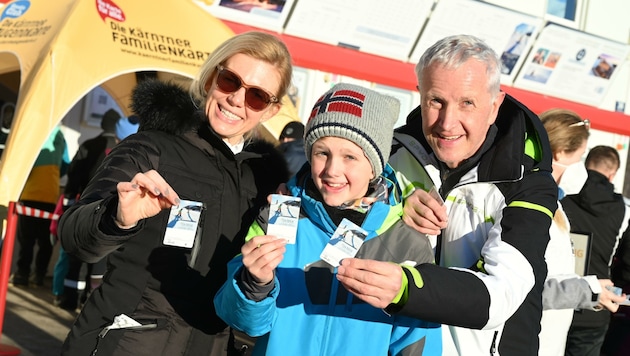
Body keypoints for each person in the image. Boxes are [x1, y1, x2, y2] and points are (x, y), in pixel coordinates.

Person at [57, 31, 292, 355]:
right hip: (125, 342)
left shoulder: (265, 183)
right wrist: (117, 218)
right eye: (230, 81)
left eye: (257, 96)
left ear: (270, 111)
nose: (237, 99)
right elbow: (74, 237)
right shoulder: (153, 146)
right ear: (212, 77)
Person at [335, 34, 558, 355]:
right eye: (436, 101)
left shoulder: (528, 181)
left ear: (494, 106)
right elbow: (336, 225)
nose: (447, 122)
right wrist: (394, 201)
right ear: (420, 97)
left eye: (467, 103)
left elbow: (501, 296)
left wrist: (407, 287)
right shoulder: (390, 155)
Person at [214, 83, 441, 355]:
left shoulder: (406, 243)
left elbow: (417, 343)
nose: (333, 170)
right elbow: (243, 322)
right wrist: (255, 283)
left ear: (375, 166)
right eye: (322, 153)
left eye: (350, 157)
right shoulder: (277, 218)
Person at [538, 109, 626, 356]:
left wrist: (588, 286)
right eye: (580, 156)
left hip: (549, 336)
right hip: (532, 338)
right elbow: (524, 286)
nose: (582, 167)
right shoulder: (532, 207)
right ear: (559, 153)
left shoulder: (555, 204)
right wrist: (586, 291)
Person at [562, 145, 630, 356]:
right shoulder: (624, 210)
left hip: (557, 296)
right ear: (612, 174)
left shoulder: (563, 195)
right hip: (595, 307)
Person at [53, 108, 122, 311]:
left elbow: (74, 174)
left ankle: (67, 300)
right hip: (108, 212)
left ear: (103, 125)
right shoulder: (122, 148)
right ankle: (87, 302)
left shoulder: (89, 145)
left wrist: (68, 199)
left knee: (75, 256)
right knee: (98, 261)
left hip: (84, 206)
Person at [11, 125, 70, 287]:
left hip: (30, 193)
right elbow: (65, 165)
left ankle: (21, 274)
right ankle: (39, 275)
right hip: (50, 195)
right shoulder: (60, 136)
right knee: (45, 241)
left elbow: (21, 162)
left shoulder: (33, 131)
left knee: (26, 239)